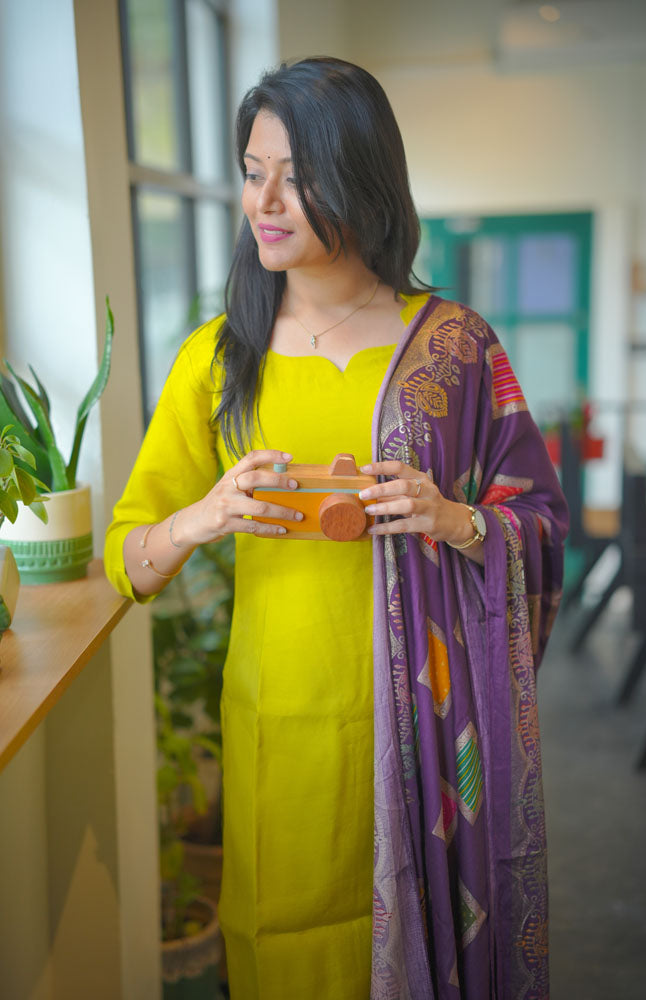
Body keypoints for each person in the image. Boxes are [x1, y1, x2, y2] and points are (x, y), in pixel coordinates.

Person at [105, 57, 568, 1000]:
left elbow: (540, 521)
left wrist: (455, 519)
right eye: (251, 170)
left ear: (359, 178)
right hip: (279, 725)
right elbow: (129, 558)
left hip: (429, 732)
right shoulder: (216, 358)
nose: (265, 201)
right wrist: (207, 516)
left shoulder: (453, 347)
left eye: (297, 175)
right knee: (285, 948)